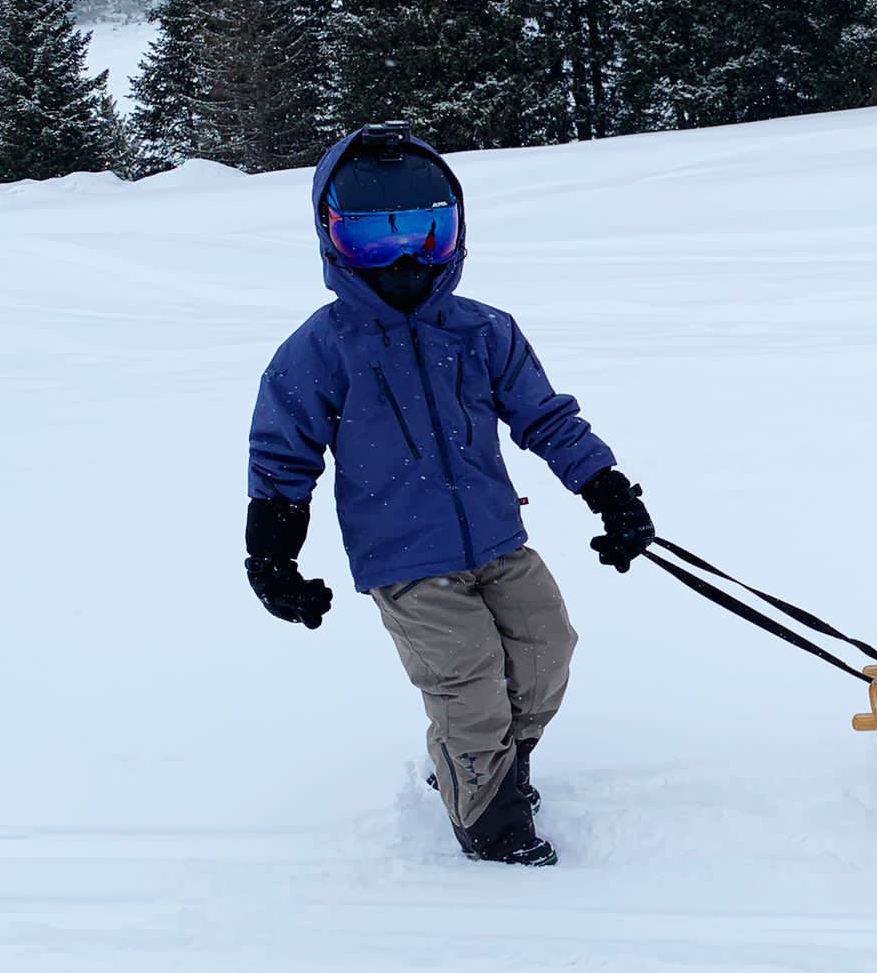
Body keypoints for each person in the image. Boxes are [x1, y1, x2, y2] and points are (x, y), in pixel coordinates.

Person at [243, 123, 655, 867]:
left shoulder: (481, 331)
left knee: (546, 650)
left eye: (425, 234)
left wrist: (609, 492)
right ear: (333, 240)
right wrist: (273, 560)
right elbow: (282, 460)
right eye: (373, 240)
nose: (404, 259)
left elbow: (545, 419)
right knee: (468, 684)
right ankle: (490, 826)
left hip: (498, 539)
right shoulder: (321, 349)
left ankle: (485, 765)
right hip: (405, 559)